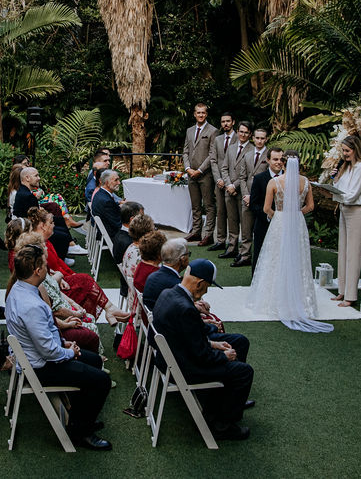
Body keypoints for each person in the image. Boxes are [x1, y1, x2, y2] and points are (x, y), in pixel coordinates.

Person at [5, 242, 113, 450]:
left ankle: (80, 416)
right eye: (45, 265)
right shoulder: (31, 305)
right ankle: (80, 432)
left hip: (40, 355)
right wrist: (68, 351)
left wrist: (64, 342)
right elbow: (48, 352)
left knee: (96, 360)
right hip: (41, 367)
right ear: (37, 271)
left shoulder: (20, 289)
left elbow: (41, 337)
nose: (48, 268)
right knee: (102, 381)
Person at [153, 260, 254, 440]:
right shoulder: (185, 308)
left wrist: (213, 344)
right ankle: (222, 426)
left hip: (171, 358)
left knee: (238, 345)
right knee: (243, 372)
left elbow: (188, 339)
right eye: (207, 287)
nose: (206, 292)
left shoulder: (167, 293)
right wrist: (223, 356)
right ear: (200, 283)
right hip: (185, 367)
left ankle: (226, 403)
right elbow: (201, 356)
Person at [245, 155, 334, 333]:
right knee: (297, 259)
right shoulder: (306, 182)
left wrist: (278, 216)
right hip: (297, 222)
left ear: (284, 164)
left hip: (279, 222)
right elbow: (310, 206)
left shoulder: (275, 182)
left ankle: (274, 301)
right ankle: (299, 300)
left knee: (275, 259)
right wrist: (296, 213)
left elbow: (265, 209)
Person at [331, 135, 361, 307]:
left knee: (353, 253)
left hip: (357, 211)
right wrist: (335, 179)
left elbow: (353, 194)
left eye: (347, 151)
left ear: (355, 150)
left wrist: (337, 197)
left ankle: (351, 295)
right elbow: (340, 189)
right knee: (343, 250)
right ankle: (342, 290)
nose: (344, 154)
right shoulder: (346, 167)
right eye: (343, 151)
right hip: (344, 209)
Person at [239, 146, 285, 270]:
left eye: (281, 159)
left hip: (284, 225)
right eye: (275, 159)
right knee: (260, 254)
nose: (279, 162)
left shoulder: (288, 178)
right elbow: (254, 204)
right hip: (263, 224)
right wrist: (269, 217)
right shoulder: (259, 178)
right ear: (268, 160)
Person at [182, 103, 217, 245]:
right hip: (191, 173)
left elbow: (212, 153)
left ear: (206, 114)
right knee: (195, 205)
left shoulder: (213, 131)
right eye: (198, 112)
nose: (201, 115)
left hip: (205, 174)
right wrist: (188, 168)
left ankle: (208, 235)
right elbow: (185, 151)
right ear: (194, 114)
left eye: (203, 113)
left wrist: (200, 170)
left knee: (208, 205)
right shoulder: (189, 130)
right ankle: (196, 232)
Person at [218, 122, 251, 260]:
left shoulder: (252, 149)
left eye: (246, 132)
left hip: (242, 191)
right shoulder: (231, 148)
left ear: (250, 134)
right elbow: (224, 168)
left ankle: (243, 251)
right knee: (231, 221)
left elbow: (248, 173)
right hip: (229, 190)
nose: (243, 135)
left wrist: (234, 186)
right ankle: (231, 247)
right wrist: (228, 184)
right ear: (237, 132)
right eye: (241, 131)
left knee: (245, 223)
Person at [207, 112, 235, 252]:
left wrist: (229, 181)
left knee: (232, 214)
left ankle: (233, 243)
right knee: (220, 211)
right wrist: (218, 178)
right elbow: (213, 160)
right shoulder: (217, 139)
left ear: (233, 122)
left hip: (232, 182)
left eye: (228, 121)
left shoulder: (239, 138)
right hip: (219, 182)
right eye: (223, 121)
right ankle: (220, 240)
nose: (225, 124)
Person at [120, 214, 156, 294]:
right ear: (148, 233)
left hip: (132, 296)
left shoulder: (131, 247)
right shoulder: (143, 254)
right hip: (141, 299)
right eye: (153, 229)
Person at [91, 169, 123, 238]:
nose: (119, 183)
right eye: (116, 180)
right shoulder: (106, 201)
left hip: (105, 232)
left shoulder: (100, 194)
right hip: (110, 236)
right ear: (107, 182)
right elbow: (118, 224)